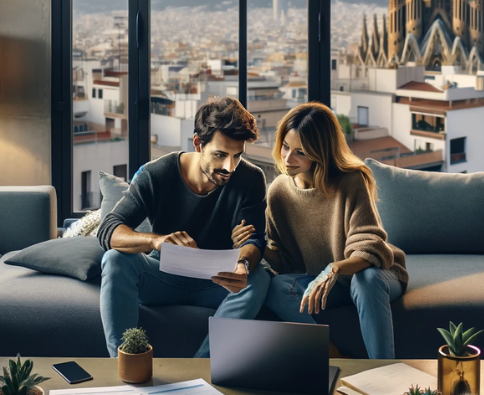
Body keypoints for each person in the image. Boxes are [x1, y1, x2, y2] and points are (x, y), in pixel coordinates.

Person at [97, 96, 270, 359]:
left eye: (237, 156)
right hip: (161, 276)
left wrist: (243, 263)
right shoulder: (157, 173)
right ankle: (126, 364)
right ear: (198, 143)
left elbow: (255, 241)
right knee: (114, 260)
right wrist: (155, 241)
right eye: (220, 155)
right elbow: (109, 230)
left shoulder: (251, 178)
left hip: (217, 281)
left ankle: (201, 367)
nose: (229, 167)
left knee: (258, 278)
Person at [232, 102, 408, 359]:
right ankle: (329, 351)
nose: (288, 158)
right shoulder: (279, 191)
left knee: (366, 280)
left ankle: (381, 371)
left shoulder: (351, 181)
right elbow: (284, 262)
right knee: (275, 286)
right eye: (285, 146)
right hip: (324, 284)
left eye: (300, 152)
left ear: (320, 153)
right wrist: (256, 243)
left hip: (372, 274)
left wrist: (334, 268)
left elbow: (370, 246)